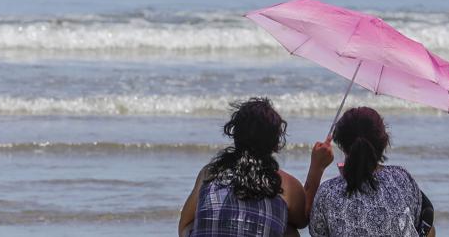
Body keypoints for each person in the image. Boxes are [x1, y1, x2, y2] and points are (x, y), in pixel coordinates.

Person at [179, 97, 308, 237]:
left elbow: (184, 225)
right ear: (275, 144)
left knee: (194, 222)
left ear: (235, 135)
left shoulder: (210, 172)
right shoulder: (286, 184)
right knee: (290, 230)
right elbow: (303, 220)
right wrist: (316, 169)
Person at [306, 107, 435, 237]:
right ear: (384, 141)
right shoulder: (401, 178)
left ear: (341, 144)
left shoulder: (328, 192)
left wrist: (316, 168)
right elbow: (424, 218)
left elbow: (314, 229)